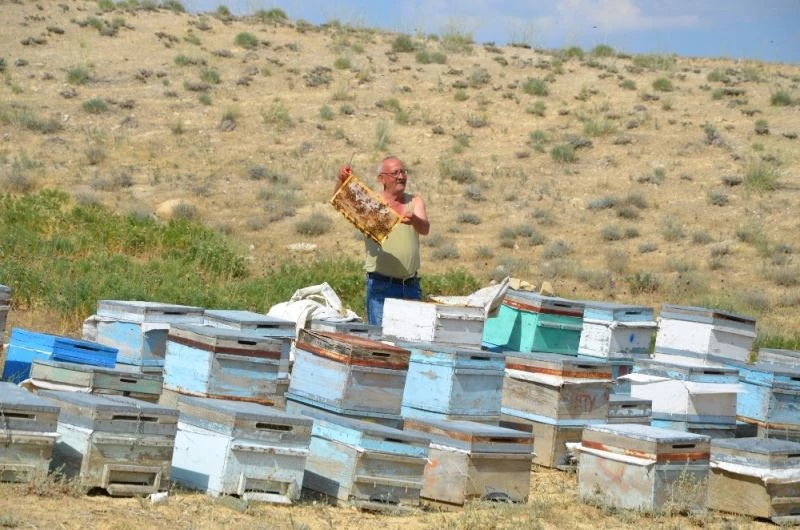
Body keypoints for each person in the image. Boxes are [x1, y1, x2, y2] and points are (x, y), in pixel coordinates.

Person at [337, 156, 430, 326]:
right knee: (382, 345)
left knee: (411, 342)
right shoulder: (372, 204)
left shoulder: (415, 201)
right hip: (381, 286)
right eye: (395, 173)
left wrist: (415, 220)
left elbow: (425, 229)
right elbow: (343, 199)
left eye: (403, 172)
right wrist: (342, 179)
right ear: (382, 179)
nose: (401, 176)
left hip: (410, 286)